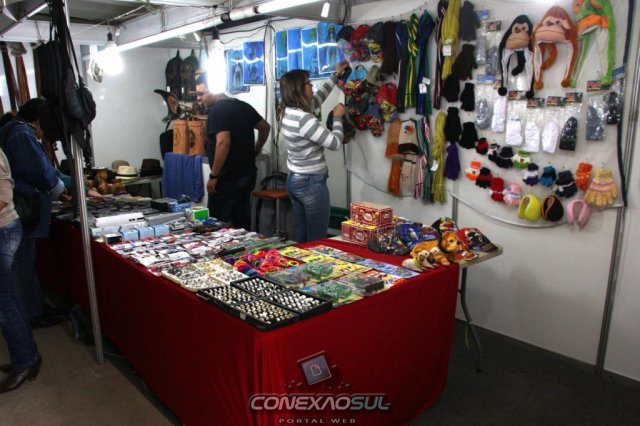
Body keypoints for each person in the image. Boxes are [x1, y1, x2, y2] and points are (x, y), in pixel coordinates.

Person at [0, 98, 68, 328]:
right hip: (23, 209)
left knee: (24, 263)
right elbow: (41, 172)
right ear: (38, 121)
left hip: (18, 209)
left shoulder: (13, 130)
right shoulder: (22, 134)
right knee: (23, 264)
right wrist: (62, 189)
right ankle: (32, 313)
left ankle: (35, 307)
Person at [280, 61, 349, 243]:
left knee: (302, 237)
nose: (312, 86)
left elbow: (319, 97)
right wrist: (337, 118)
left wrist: (336, 75)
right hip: (310, 183)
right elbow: (334, 143)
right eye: (308, 83)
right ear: (299, 89)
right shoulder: (304, 119)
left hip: (295, 180)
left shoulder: (289, 112)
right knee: (317, 240)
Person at [0, 147, 42, 393]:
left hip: (3, 229)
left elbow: (3, 196)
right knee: (8, 299)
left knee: (4, 302)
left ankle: (24, 361)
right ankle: (28, 356)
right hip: (6, 228)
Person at [204, 90, 270, 230]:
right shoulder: (243, 106)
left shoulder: (218, 109)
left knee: (216, 228)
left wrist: (213, 176)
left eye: (202, 93)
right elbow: (265, 128)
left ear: (214, 90)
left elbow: (223, 142)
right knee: (242, 226)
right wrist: (256, 150)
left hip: (227, 178)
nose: (200, 98)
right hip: (247, 176)